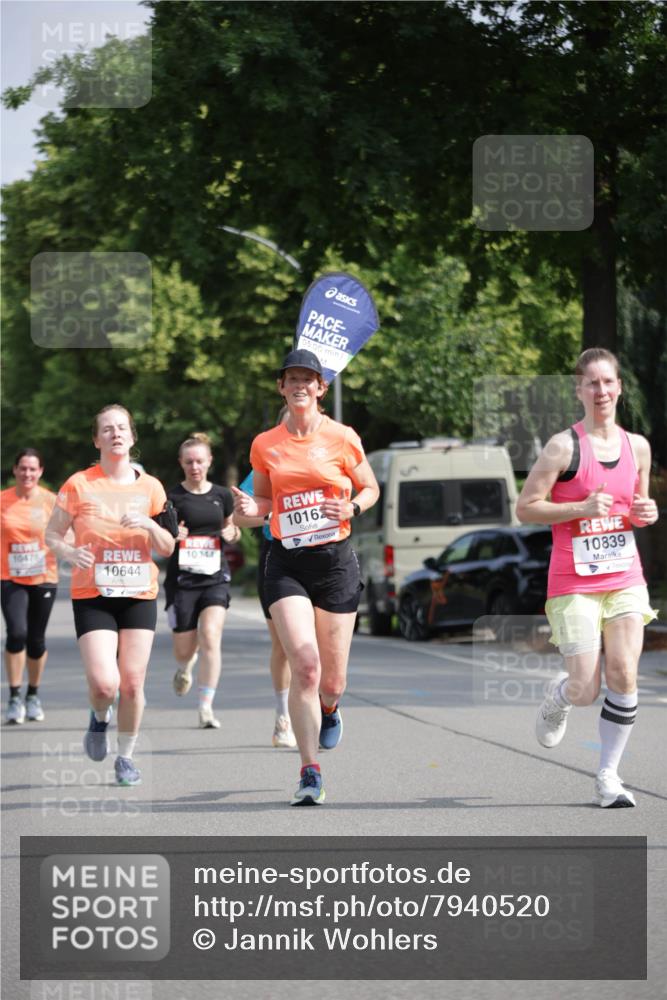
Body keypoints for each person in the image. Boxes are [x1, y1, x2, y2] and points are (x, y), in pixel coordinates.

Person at [232, 348, 379, 806]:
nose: (299, 385)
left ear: (320, 388)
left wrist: (351, 506)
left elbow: (371, 488)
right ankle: (309, 771)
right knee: (306, 664)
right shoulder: (265, 443)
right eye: (291, 378)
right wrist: (244, 512)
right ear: (281, 387)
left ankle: (331, 710)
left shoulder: (342, 437)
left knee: (331, 682)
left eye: (307, 379)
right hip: (287, 564)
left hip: (335, 562)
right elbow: (262, 507)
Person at [517, 348, 659, 807]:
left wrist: (646, 512)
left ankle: (608, 776)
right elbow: (525, 508)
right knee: (585, 688)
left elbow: (635, 509)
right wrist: (579, 507)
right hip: (574, 581)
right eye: (591, 383)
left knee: (624, 671)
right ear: (578, 390)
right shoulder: (563, 447)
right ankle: (560, 696)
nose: (601, 391)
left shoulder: (637, 446)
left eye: (608, 382)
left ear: (620, 387)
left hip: (624, 576)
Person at [45, 405, 176, 786]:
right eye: (107, 429)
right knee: (105, 684)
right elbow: (52, 534)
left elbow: (168, 546)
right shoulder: (79, 484)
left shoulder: (151, 487)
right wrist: (69, 553)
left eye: (122, 428)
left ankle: (126, 757)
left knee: (132, 683)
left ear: (132, 437)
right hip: (93, 593)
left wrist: (150, 525)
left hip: (139, 592)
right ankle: (100, 717)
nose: (115, 434)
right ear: (96, 439)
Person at [165, 433, 238, 729]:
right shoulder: (171, 498)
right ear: (181, 464)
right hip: (182, 581)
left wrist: (234, 534)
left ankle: (206, 706)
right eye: (189, 462)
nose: (195, 466)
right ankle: (185, 665)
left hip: (215, 577)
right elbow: (160, 542)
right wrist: (173, 535)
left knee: (210, 635)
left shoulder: (222, 495)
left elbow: (231, 529)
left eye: (200, 461)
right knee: (184, 649)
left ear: (209, 462)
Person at [236, 465, 296, 749]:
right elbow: (238, 515)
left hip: (322, 555)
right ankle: (283, 715)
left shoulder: (325, 455)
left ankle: (323, 705)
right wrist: (269, 516)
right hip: (277, 557)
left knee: (320, 643)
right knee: (283, 645)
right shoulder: (266, 465)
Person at [1, 449, 58, 724]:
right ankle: (14, 697)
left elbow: (67, 532)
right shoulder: (2, 501)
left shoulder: (50, 501)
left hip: (44, 576)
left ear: (40, 472)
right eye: (22, 468)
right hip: (10, 577)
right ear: (14, 470)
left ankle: (32, 695)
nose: (27, 474)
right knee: (16, 633)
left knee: (36, 640)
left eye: (33, 469)